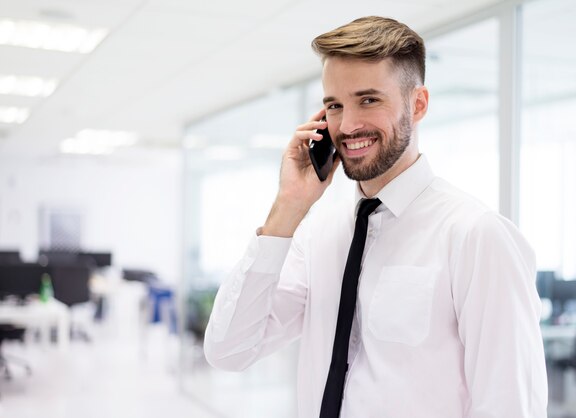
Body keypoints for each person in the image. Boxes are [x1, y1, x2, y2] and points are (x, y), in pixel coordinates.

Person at [204, 16, 548, 418]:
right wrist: (288, 207)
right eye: (335, 105)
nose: (347, 126)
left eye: (368, 100)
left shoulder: (476, 235)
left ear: (417, 104)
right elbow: (228, 350)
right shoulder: (320, 233)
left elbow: (509, 405)